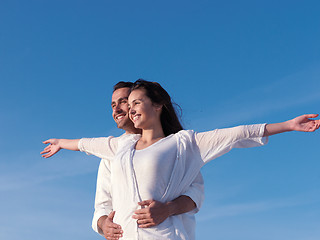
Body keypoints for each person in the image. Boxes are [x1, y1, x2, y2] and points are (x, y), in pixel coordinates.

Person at [43, 79, 320, 240]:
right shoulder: (118, 149)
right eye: (122, 104)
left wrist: (287, 124)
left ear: (157, 105)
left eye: (134, 102)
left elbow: (235, 135)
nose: (126, 109)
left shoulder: (182, 145)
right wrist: (61, 143)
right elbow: (87, 146)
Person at [41, 81, 204, 240]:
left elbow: (195, 191)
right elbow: (102, 205)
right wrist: (104, 224)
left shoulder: (174, 147)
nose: (117, 109)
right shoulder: (112, 153)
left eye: (123, 102)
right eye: (113, 105)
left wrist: (168, 209)